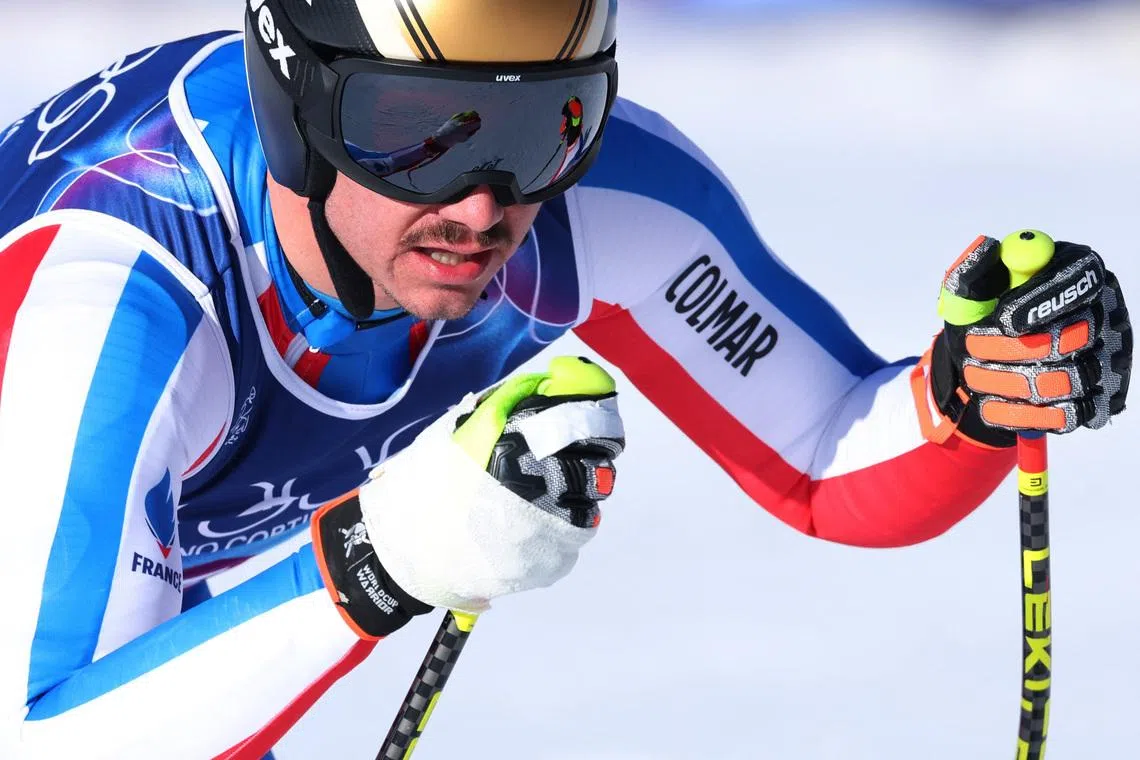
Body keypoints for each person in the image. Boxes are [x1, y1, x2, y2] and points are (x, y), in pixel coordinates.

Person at [0, 1, 1129, 758]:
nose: (485, 205)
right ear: (300, 106)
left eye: (550, 124)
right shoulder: (117, 296)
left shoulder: (598, 203)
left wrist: (972, 391)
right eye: (414, 133)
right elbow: (48, 734)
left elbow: (825, 456)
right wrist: (378, 558)